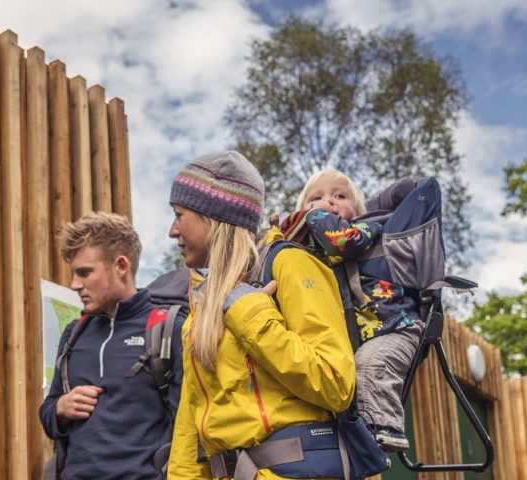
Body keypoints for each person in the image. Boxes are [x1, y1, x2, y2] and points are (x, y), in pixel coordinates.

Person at [165, 151, 358, 479]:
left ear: (213, 216)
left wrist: (248, 312)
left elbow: (337, 385)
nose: (172, 230)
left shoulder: (290, 264)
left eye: (179, 214)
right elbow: (190, 421)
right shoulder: (205, 304)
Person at [275, 168, 425, 452]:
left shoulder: (369, 228)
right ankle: (356, 442)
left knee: (370, 364)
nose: (327, 202)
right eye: (315, 198)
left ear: (357, 208)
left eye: (339, 196)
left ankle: (383, 429)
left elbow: (341, 240)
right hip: (359, 337)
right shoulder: (309, 258)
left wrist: (313, 214)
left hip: (396, 327)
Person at [40, 212, 189, 480]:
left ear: (121, 266)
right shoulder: (73, 334)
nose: (75, 285)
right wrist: (61, 407)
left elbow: (188, 430)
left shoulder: (167, 329)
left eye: (85, 273)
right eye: (74, 273)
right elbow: (48, 413)